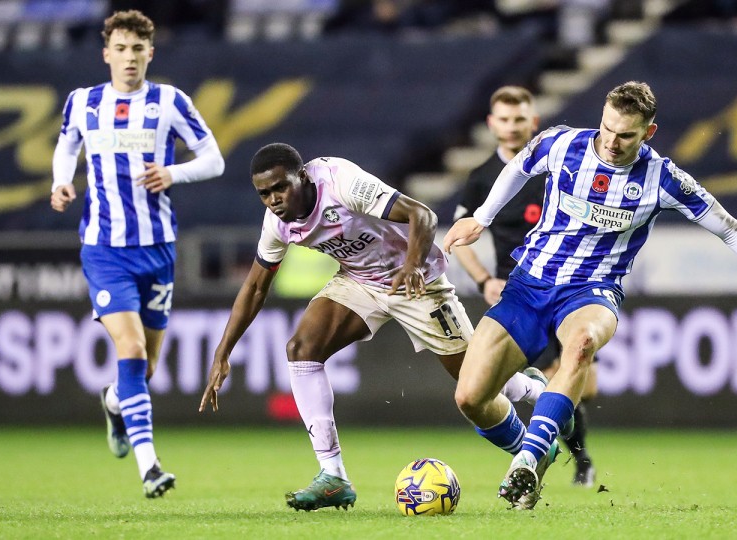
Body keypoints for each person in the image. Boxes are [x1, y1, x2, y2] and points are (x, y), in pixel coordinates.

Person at [443, 81, 737, 510]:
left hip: (592, 291)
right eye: (607, 128)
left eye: (625, 134)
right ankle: (536, 447)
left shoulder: (663, 178)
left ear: (649, 132)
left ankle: (530, 458)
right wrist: (481, 218)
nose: (611, 142)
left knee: (581, 344)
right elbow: (518, 167)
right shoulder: (559, 144)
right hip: (528, 282)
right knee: (470, 398)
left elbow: (729, 228)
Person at [198, 143, 546, 511]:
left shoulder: (341, 182)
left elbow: (422, 215)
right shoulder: (277, 224)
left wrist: (411, 265)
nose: (273, 200)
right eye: (264, 194)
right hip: (360, 281)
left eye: (279, 188)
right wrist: (223, 353)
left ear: (301, 176)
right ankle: (333, 475)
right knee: (301, 349)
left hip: (416, 280)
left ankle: (531, 391)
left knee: (475, 381)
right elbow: (254, 287)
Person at [50, 9, 225, 498]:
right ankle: (150, 468)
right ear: (106, 54)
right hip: (104, 249)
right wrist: (61, 182)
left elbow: (214, 158)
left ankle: (114, 402)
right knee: (128, 350)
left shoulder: (170, 102)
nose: (129, 58)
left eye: (138, 49)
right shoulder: (82, 103)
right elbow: (66, 147)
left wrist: (174, 173)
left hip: (158, 248)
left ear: (151, 53)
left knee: (144, 369)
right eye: (121, 49)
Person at [452, 85, 597, 486]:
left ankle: (577, 455)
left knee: (584, 384)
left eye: (520, 119)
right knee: (555, 374)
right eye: (504, 119)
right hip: (519, 293)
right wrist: (484, 280)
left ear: (534, 122)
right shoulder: (483, 177)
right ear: (491, 124)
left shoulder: (554, 166)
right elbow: (461, 235)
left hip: (568, 286)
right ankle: (576, 462)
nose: (512, 127)